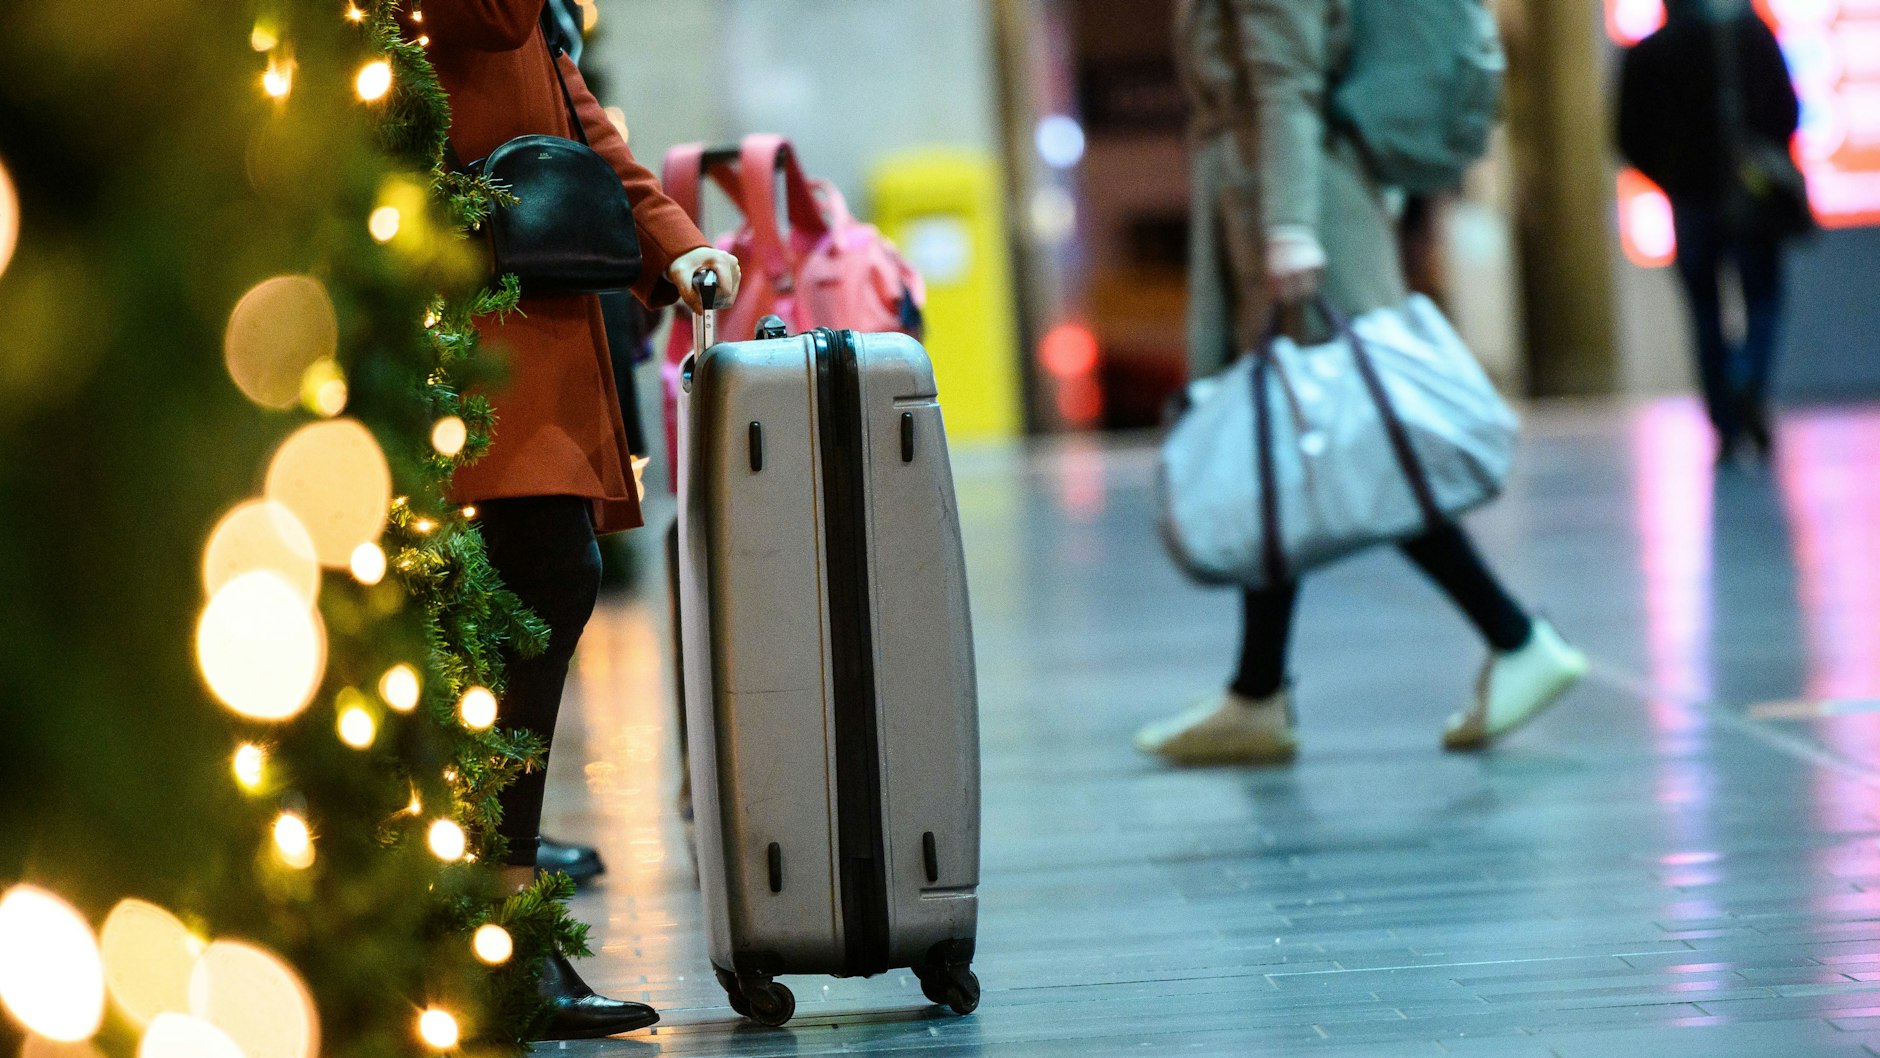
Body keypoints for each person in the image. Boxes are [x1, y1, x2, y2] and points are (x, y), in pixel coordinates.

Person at [1136, 0, 1586, 765]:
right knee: (1289, 442)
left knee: (1356, 439)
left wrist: (1289, 227)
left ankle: (1516, 639)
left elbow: (1286, 79)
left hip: (1297, 205)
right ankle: (1257, 691)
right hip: (1276, 193)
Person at [422, 0, 741, 1039]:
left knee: (533, 587)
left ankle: (498, 919)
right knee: (514, 591)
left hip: (520, 308)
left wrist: (670, 238)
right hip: (456, 315)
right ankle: (490, 925)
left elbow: (564, 93)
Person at [1617, 0, 1802, 463]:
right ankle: (1747, 377)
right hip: (1752, 197)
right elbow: (1787, 111)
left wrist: (1674, 178)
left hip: (1690, 203)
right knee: (1763, 298)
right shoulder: (1751, 35)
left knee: (1704, 314)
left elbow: (1627, 135)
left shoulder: (1651, 52)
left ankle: (1725, 421)